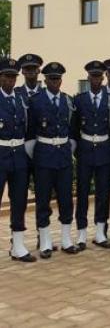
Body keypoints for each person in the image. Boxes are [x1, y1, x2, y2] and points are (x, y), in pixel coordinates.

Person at [26, 61, 80, 258]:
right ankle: (46, 242)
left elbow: (73, 130)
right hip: (44, 155)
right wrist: (37, 155)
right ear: (45, 79)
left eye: (58, 79)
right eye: (51, 79)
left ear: (61, 80)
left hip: (63, 156)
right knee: (43, 200)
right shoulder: (35, 100)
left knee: (66, 199)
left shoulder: (67, 100)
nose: (55, 82)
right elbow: (30, 132)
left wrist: (69, 147)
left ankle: (66, 239)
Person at [73, 61, 110, 250]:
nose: (96, 80)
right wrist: (77, 148)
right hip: (85, 148)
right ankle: (81, 232)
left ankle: (100, 231)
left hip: (104, 149)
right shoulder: (79, 100)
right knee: (83, 192)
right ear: (88, 78)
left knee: (103, 192)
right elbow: (73, 127)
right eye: (93, 76)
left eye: (99, 76)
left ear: (103, 78)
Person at [0, 58, 35, 262]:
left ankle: (18, 245)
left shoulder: (22, 99)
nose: (10, 81)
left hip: (18, 155)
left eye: (13, 77)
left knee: (19, 200)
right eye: (6, 77)